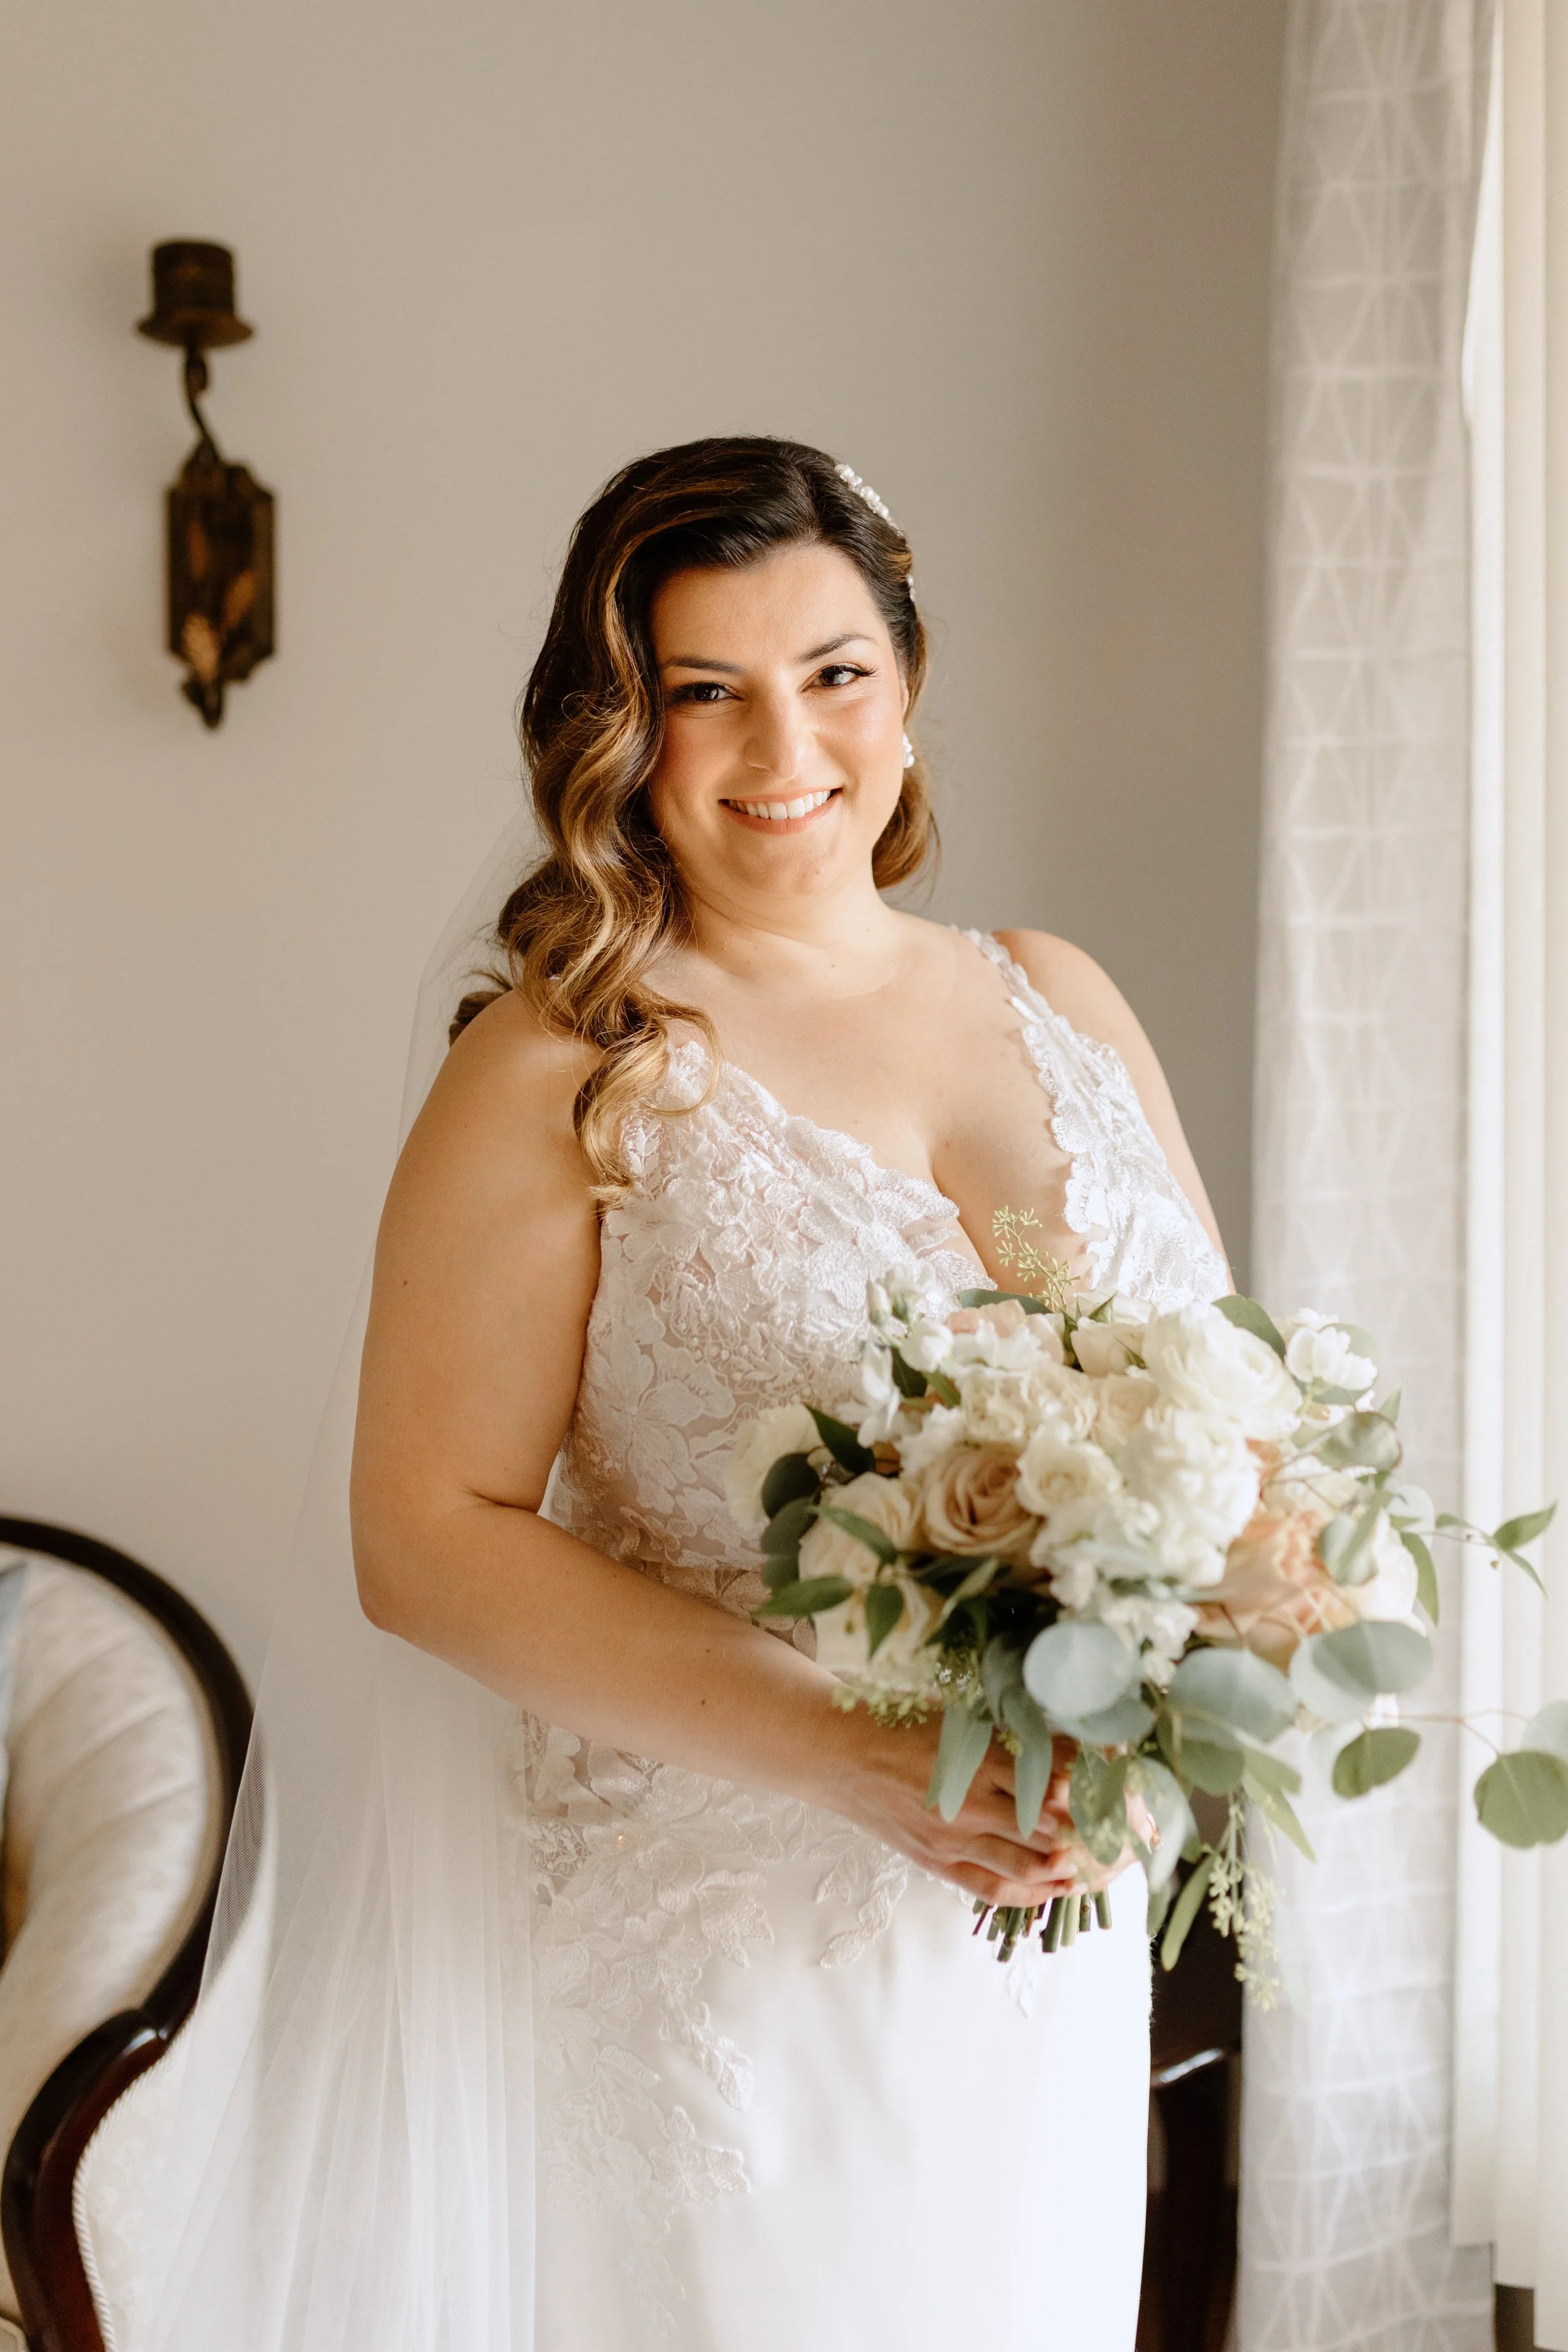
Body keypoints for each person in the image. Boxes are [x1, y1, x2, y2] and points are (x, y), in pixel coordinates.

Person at [344, 436, 1230, 2351]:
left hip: (1038, 1938)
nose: (784, 747)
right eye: (705, 692)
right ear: (620, 727)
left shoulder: (1055, 991)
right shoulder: (562, 1061)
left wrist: (1187, 1685)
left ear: (905, 681)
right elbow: (423, 1540)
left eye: (833, 671)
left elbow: (1219, 1419)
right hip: (729, 1945)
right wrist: (865, 1757)